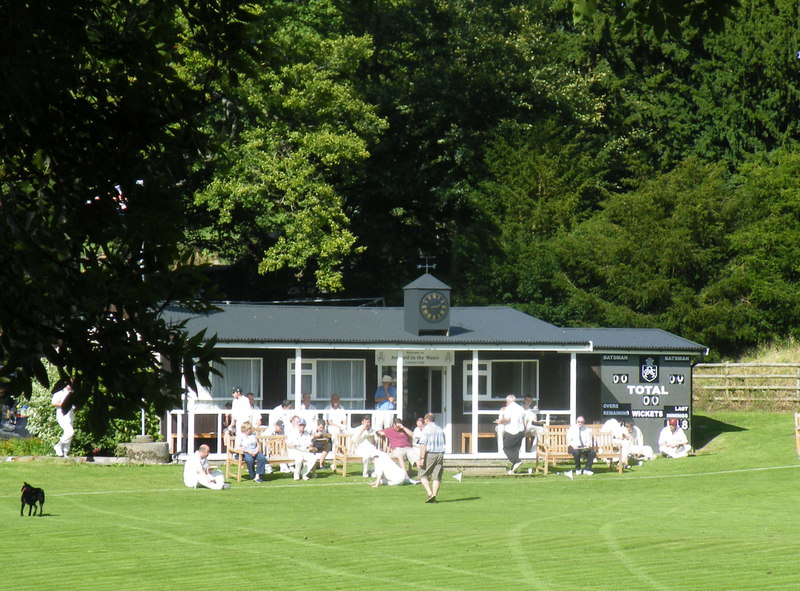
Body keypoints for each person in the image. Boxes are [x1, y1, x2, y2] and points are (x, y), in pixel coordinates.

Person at [417, 412, 446, 503]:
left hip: (430, 454)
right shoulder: (440, 429)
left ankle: (430, 493)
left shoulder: (426, 429)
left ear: (427, 420)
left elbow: (423, 445)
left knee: (422, 475)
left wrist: (422, 458)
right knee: (437, 477)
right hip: (440, 454)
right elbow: (444, 442)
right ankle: (434, 496)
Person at [494, 394, 526, 474]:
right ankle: (513, 470)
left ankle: (516, 461)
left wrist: (499, 421)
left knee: (506, 448)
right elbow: (524, 420)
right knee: (515, 450)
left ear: (508, 401)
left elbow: (507, 419)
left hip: (512, 431)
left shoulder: (509, 409)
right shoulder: (521, 408)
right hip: (521, 432)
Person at [51, 383, 75, 458]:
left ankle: (65, 453)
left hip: (70, 416)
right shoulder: (60, 392)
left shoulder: (73, 393)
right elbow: (54, 403)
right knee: (70, 432)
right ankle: (58, 446)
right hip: (62, 416)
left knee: (69, 435)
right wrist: (66, 404)